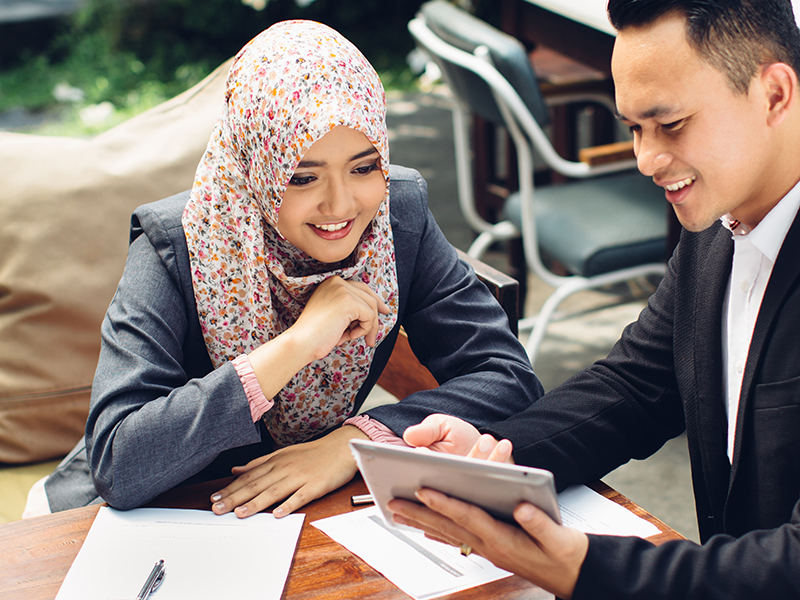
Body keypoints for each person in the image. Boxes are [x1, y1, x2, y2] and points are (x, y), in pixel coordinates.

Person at [36, 20, 541, 518]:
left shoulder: (396, 219)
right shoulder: (175, 246)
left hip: (290, 519)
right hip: (122, 524)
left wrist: (354, 441)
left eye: (364, 167)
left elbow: (509, 378)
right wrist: (295, 346)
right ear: (257, 166)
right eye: (302, 177)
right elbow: (120, 462)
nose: (341, 205)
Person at [388, 1, 800, 598]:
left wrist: (585, 570)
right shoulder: (719, 220)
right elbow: (636, 386)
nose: (646, 160)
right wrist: (497, 459)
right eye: (633, 128)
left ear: (775, 94)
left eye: (672, 125)